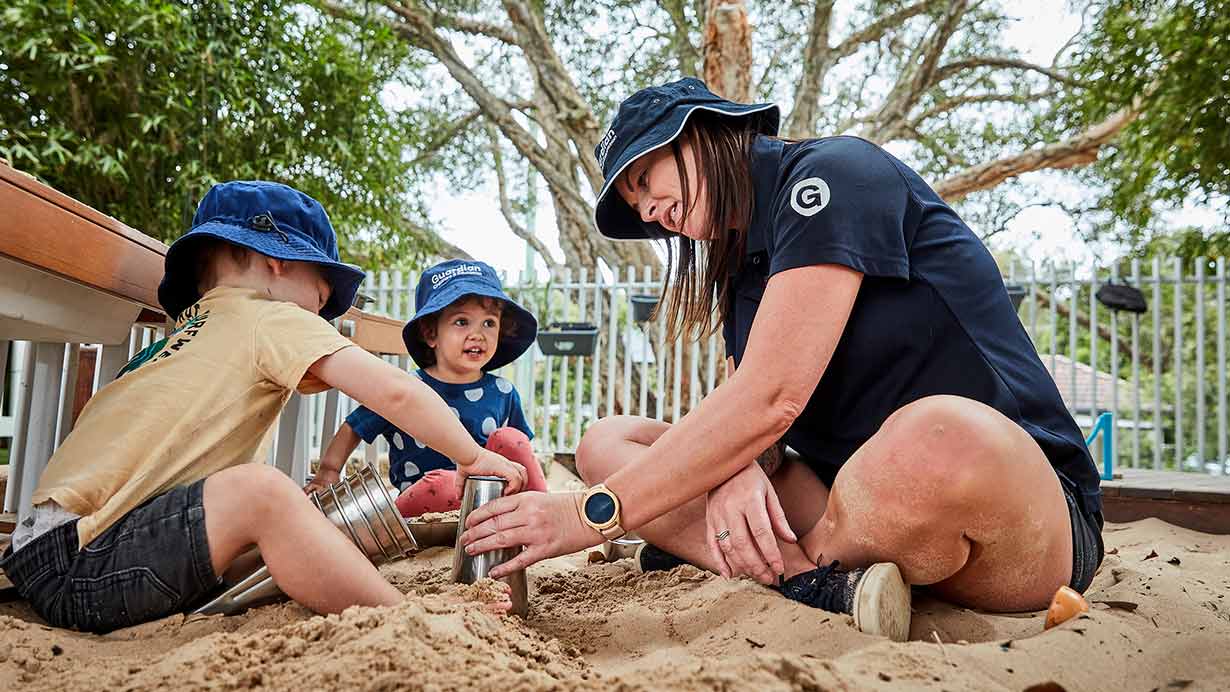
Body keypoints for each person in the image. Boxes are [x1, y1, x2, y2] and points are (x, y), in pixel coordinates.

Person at [457, 78, 1103, 642]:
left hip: (1017, 512)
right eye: (635, 206)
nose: (650, 212)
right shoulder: (744, 268)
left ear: (703, 133)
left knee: (939, 436)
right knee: (608, 440)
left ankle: (750, 561)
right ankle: (811, 583)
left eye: (645, 181)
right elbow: (752, 416)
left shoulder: (836, 174)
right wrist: (737, 465)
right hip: (845, 508)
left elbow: (772, 398)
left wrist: (584, 514)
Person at [0, 181, 526, 633]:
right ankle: (404, 617)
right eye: (322, 300)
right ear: (277, 264)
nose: (323, 319)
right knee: (263, 492)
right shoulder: (269, 317)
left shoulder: (182, 338)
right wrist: (471, 456)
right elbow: (394, 391)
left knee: (287, 519)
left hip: (47, 551)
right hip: (87, 562)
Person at [310, 259, 547, 516]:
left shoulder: (503, 392)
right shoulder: (408, 391)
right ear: (431, 333)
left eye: (489, 323)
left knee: (511, 438)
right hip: (423, 503)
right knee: (443, 484)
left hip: (486, 500)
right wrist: (328, 472)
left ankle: (543, 511)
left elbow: (520, 452)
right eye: (461, 322)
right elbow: (353, 427)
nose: (478, 334)